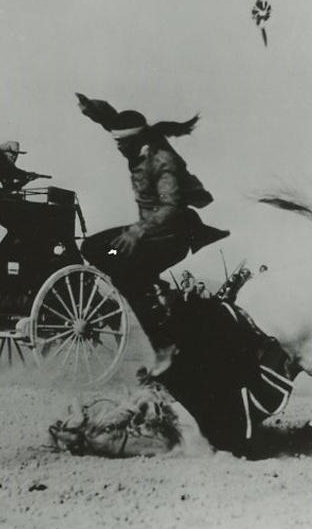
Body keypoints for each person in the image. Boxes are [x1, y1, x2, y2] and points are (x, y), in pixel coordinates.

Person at [75, 93, 230, 345]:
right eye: (117, 142)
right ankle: (145, 285)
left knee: (128, 274)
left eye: (122, 143)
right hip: (148, 236)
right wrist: (92, 109)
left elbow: (171, 206)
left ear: (136, 140)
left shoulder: (162, 162)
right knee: (96, 248)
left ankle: (162, 337)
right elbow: (112, 120)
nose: (118, 147)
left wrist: (137, 230)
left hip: (170, 236)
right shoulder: (134, 147)